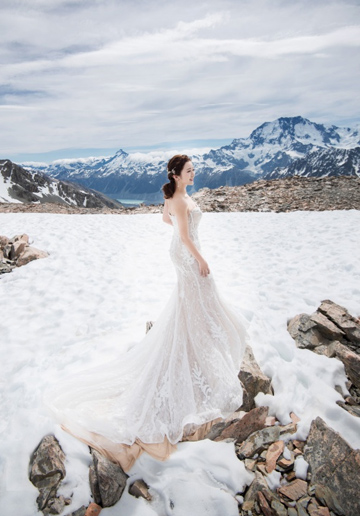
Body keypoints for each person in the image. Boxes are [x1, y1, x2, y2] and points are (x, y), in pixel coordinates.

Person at [45, 154, 249, 471]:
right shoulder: (179, 199)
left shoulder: (174, 196)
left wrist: (188, 246)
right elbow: (181, 233)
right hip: (187, 255)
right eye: (190, 171)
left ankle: (196, 350)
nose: (195, 174)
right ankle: (196, 352)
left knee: (192, 306)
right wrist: (200, 259)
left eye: (195, 169)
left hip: (182, 254)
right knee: (200, 302)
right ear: (177, 175)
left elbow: (164, 220)